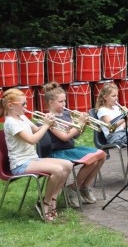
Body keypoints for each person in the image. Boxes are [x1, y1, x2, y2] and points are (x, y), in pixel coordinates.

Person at [1, 88, 73, 222]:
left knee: (68, 164)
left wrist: (48, 123)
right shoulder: (10, 123)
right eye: (23, 104)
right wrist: (46, 126)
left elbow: (37, 130)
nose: (26, 107)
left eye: (26, 103)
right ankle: (44, 204)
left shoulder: (21, 117)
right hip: (20, 164)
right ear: (11, 106)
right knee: (57, 170)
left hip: (32, 159)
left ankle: (53, 199)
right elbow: (32, 139)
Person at [44, 82, 107, 207]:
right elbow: (65, 137)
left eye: (65, 101)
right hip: (58, 152)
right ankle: (72, 189)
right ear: (51, 102)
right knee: (91, 160)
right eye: (61, 102)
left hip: (70, 148)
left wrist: (81, 125)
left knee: (102, 155)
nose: (64, 104)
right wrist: (80, 124)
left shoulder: (67, 114)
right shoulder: (50, 118)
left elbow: (75, 135)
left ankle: (84, 187)